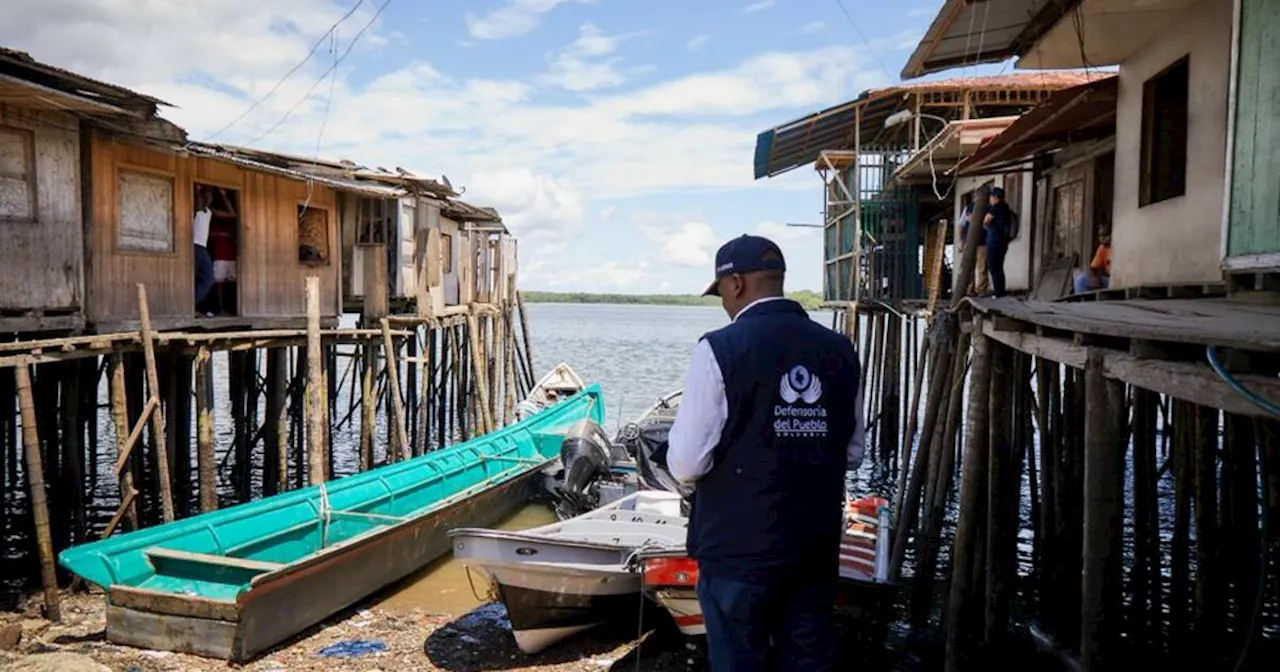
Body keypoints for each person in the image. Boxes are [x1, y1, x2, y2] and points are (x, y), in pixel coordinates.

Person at [667, 234, 865, 672]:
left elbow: (686, 463)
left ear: (734, 283)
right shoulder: (840, 349)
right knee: (808, 661)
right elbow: (852, 452)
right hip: (813, 546)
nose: (723, 302)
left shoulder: (719, 348)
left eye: (721, 292)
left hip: (737, 552)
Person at [193, 187, 235, 316]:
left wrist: (223, 196)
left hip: (201, 248)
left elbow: (232, 214)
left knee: (207, 279)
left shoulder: (209, 212)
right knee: (207, 278)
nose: (208, 198)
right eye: (206, 195)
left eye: (210, 196)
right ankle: (191, 306)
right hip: (196, 246)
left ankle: (193, 305)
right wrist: (198, 190)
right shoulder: (196, 209)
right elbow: (199, 205)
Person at [982, 186, 1012, 297]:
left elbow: (986, 220)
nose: (990, 199)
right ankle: (1000, 291)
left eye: (991, 196)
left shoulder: (996, 208)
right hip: (1003, 242)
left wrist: (986, 226)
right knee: (999, 267)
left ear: (995, 197)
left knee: (993, 267)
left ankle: (998, 292)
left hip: (994, 241)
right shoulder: (1006, 208)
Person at [958, 200, 988, 295]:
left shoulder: (988, 207)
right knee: (968, 267)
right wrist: (960, 240)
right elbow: (961, 224)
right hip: (969, 242)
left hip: (982, 242)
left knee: (982, 268)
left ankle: (981, 290)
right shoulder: (969, 207)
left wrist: (976, 220)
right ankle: (969, 290)